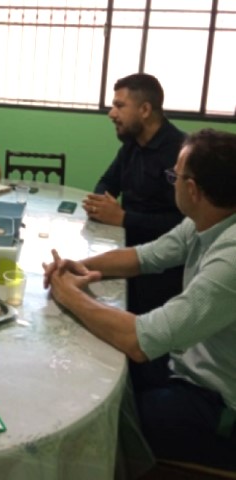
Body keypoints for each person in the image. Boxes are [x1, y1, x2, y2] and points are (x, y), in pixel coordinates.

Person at [43, 129, 236, 471]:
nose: (171, 181)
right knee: (100, 369)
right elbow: (144, 256)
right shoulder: (209, 217)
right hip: (187, 362)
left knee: (106, 418)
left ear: (192, 190)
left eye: (175, 175)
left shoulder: (230, 259)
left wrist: (69, 294)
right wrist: (79, 266)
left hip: (218, 402)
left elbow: (140, 339)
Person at [83, 73, 185, 315]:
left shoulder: (181, 154)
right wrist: (100, 204)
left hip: (162, 271)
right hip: (126, 252)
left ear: (145, 109)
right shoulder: (131, 144)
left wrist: (123, 218)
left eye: (119, 105)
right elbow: (108, 181)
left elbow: (183, 224)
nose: (111, 113)